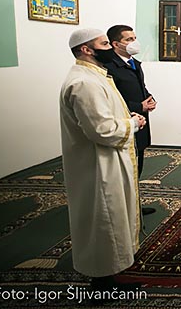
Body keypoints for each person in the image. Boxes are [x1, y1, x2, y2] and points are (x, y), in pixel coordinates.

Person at [59, 28, 146, 290]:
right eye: (105, 43)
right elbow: (102, 130)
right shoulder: (84, 83)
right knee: (105, 218)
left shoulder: (96, 75)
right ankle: (103, 284)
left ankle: (110, 274)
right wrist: (133, 123)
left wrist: (129, 117)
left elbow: (106, 115)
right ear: (87, 50)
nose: (110, 48)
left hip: (107, 160)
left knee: (112, 215)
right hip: (98, 165)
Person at [103, 25, 157, 216]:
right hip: (123, 124)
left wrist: (149, 99)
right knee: (122, 171)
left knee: (136, 167)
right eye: (129, 39)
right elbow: (111, 98)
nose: (134, 42)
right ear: (115, 44)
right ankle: (120, 209)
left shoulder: (134, 63)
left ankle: (133, 207)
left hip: (140, 123)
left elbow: (141, 87)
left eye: (134, 38)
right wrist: (138, 106)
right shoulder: (108, 67)